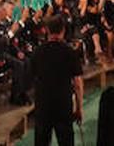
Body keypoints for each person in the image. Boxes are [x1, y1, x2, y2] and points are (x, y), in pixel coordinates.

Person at [29, 15, 83, 146]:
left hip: (43, 104)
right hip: (63, 104)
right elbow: (77, 84)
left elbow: (32, 79)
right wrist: (79, 108)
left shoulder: (37, 52)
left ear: (47, 30)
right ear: (63, 30)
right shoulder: (70, 52)